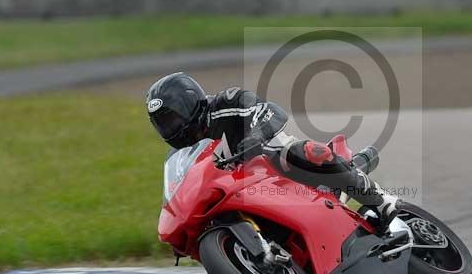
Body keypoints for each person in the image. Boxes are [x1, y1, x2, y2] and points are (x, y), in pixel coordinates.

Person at [145, 71, 398, 232]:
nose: (171, 129)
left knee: (298, 152)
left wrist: (255, 136)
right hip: (239, 190)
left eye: (173, 119)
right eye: (163, 124)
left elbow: (272, 111)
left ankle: (381, 200)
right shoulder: (181, 156)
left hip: (273, 166)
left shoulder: (228, 102)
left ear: (190, 103)